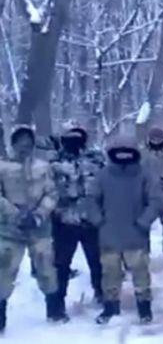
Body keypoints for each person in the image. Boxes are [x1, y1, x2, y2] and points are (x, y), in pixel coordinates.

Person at [86, 135, 163, 325]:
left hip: (136, 234)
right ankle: (110, 308)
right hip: (109, 235)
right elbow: (91, 200)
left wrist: (144, 222)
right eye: (119, 153)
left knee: (140, 273)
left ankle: (144, 308)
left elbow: (156, 200)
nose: (123, 156)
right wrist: (98, 221)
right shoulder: (103, 175)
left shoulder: (145, 175)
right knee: (109, 274)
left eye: (127, 153)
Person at [0, 126, 67, 333]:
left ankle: (55, 311)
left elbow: (52, 193)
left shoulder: (43, 167)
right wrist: (16, 214)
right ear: (13, 144)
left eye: (28, 142)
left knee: (46, 268)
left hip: (40, 229)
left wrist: (38, 215)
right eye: (20, 142)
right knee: (4, 271)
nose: (24, 146)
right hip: (10, 230)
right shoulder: (2, 167)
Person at [50, 125, 104, 314]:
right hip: (64, 221)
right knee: (60, 265)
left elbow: (105, 186)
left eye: (78, 137)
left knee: (98, 261)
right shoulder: (54, 162)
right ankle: (57, 305)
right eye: (70, 138)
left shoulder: (96, 158)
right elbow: (47, 189)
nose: (74, 141)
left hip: (92, 220)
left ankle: (102, 295)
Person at [142, 127, 163, 260]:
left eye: (158, 138)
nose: (156, 141)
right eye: (153, 139)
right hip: (147, 195)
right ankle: (144, 252)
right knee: (143, 223)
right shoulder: (143, 154)